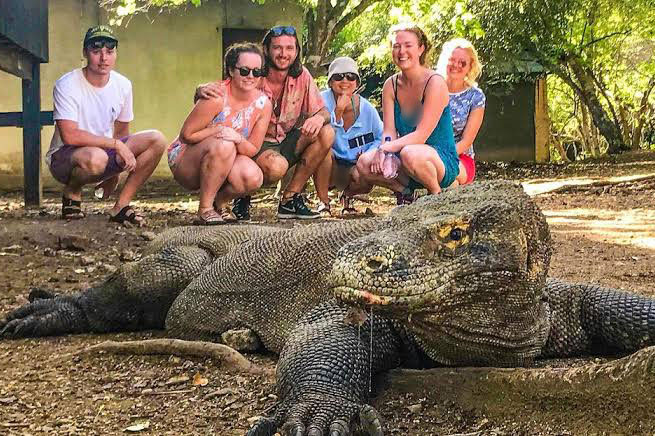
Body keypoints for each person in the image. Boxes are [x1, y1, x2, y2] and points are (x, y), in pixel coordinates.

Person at [196, 26, 334, 220]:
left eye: (289, 48)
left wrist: (318, 117)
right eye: (277, 48)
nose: (284, 54)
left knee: (326, 132)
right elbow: (226, 89)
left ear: (296, 51)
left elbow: (324, 110)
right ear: (267, 50)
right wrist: (200, 89)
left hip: (285, 139)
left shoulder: (302, 76)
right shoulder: (253, 74)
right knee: (276, 167)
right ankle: (239, 194)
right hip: (253, 143)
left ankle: (290, 199)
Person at [46, 25, 167, 224]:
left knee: (157, 139)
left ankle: (121, 206)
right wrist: (116, 146)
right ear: (85, 53)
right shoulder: (66, 84)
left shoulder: (123, 85)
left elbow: (121, 131)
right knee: (97, 157)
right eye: (96, 52)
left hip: (104, 153)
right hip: (66, 157)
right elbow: (70, 135)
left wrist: (115, 171)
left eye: (109, 52)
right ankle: (72, 191)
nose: (104, 58)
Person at [168, 43, 272, 225]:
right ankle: (205, 209)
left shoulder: (263, 104)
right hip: (187, 159)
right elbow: (187, 135)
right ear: (231, 70)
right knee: (224, 144)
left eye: (256, 72)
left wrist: (237, 137)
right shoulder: (216, 95)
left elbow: (253, 148)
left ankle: (220, 203)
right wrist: (217, 130)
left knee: (252, 176)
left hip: (226, 158)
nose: (251, 77)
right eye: (245, 70)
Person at [356, 24, 459, 204]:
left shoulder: (435, 83)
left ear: (421, 49)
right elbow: (388, 131)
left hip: (439, 160)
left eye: (408, 45)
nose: (401, 51)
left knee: (410, 153)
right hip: (405, 158)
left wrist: (386, 148)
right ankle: (405, 193)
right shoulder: (391, 85)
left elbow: (421, 135)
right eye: (396, 46)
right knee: (364, 163)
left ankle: (436, 198)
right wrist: (384, 151)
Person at [313, 57, 383, 215]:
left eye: (350, 77)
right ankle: (323, 201)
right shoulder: (320, 100)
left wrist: (368, 153)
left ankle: (348, 195)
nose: (345, 80)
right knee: (323, 151)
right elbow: (317, 136)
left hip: (353, 164)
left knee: (365, 176)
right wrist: (337, 113)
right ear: (330, 82)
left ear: (357, 83)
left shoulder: (367, 109)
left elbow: (381, 135)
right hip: (328, 163)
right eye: (338, 76)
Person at [436, 38, 485, 185]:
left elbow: (467, 140)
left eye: (462, 62)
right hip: (428, 154)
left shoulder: (475, 97)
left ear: (470, 67)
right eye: (452, 60)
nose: (456, 65)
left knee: (448, 179)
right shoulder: (431, 88)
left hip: (460, 157)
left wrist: (441, 157)